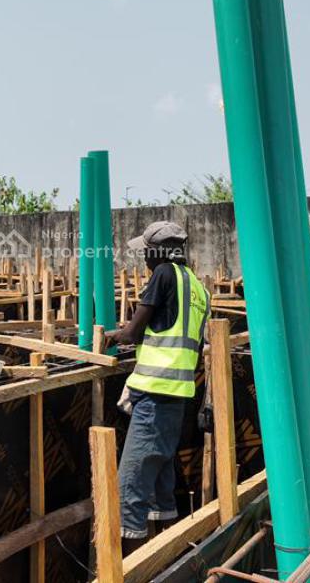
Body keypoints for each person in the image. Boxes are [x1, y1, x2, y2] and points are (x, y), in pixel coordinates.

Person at [103, 221, 210, 551]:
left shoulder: (164, 274)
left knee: (129, 486)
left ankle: (125, 567)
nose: (144, 260)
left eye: (146, 253)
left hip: (154, 394)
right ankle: (168, 557)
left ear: (158, 252)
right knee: (161, 480)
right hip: (177, 397)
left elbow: (133, 333)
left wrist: (110, 335)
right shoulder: (197, 287)